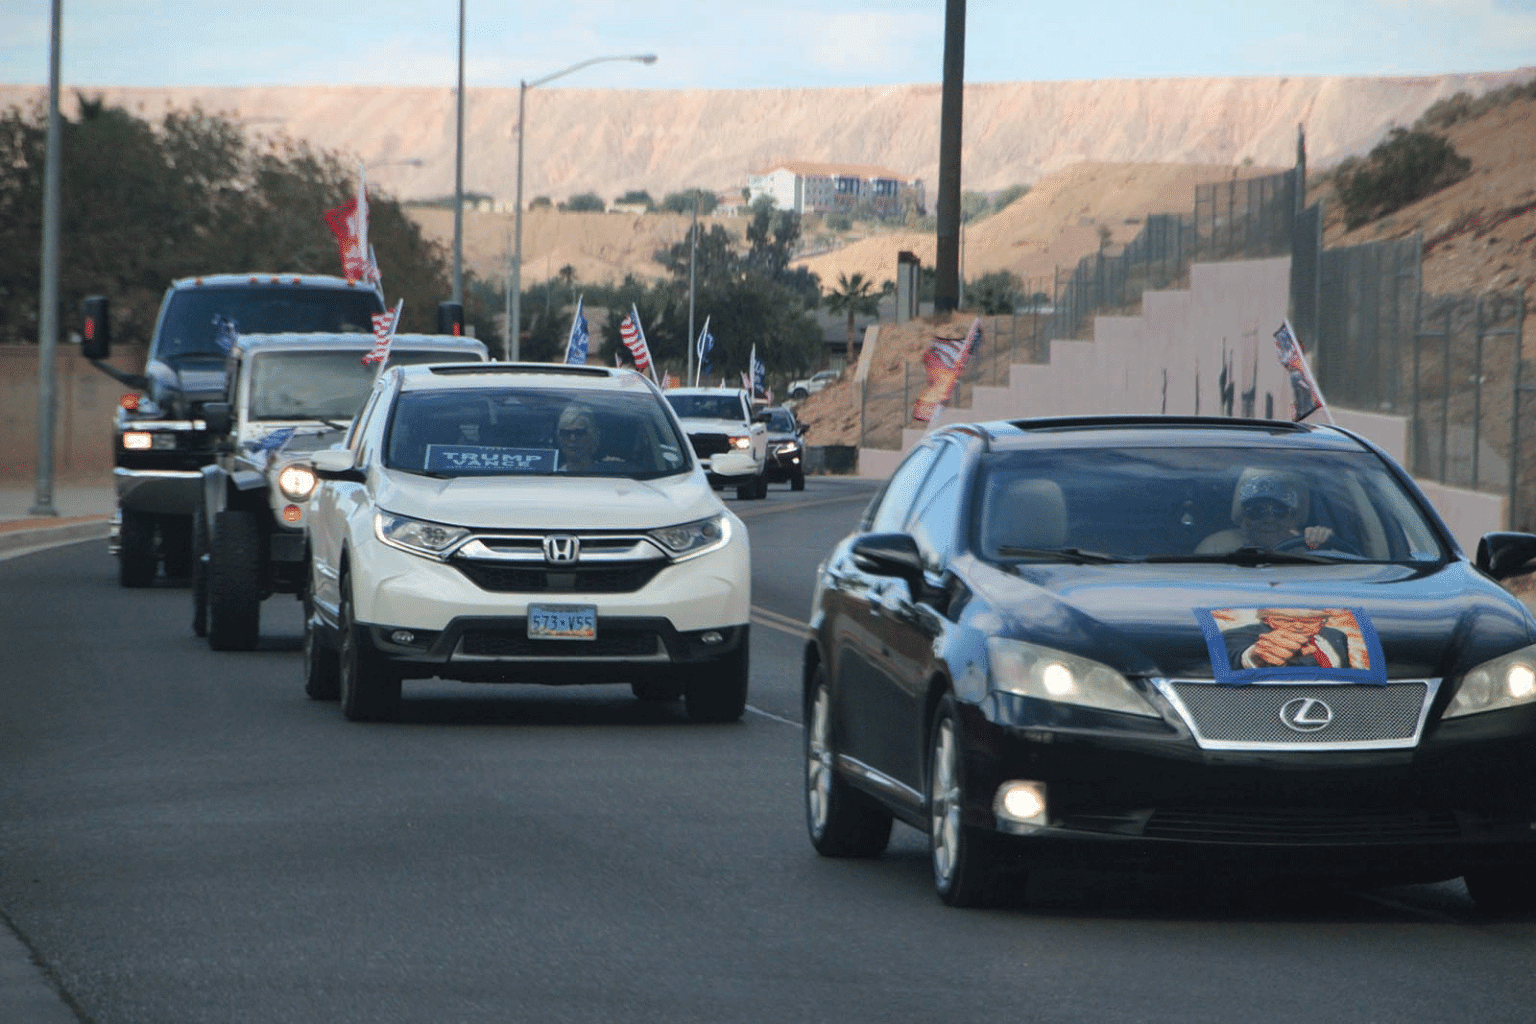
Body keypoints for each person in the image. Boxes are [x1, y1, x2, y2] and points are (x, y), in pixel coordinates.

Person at [1196, 470, 1334, 554]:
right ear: (1242, 519)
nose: (1269, 519)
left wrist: (1319, 545)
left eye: (1279, 510)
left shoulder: (1310, 545)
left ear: (1294, 517)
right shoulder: (1215, 549)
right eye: (1256, 511)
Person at [1223, 608, 1352, 670]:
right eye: (1285, 620)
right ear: (1268, 620)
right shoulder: (1240, 634)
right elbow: (1235, 652)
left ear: (1322, 622)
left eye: (1309, 621)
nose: (1298, 626)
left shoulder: (1336, 636)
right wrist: (1256, 657)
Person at [555, 403, 600, 472]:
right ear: (559, 437)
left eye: (579, 432)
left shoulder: (611, 475)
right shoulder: (548, 479)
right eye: (566, 433)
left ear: (592, 435)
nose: (572, 438)